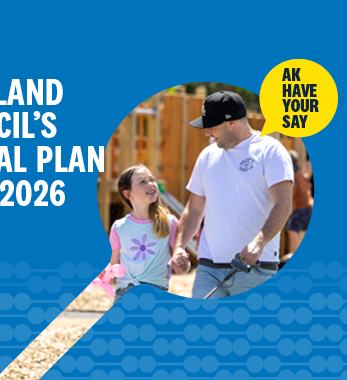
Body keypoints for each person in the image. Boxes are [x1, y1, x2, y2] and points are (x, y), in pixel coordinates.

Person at [171, 91, 294, 299]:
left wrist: (259, 242)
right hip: (208, 269)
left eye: (211, 126)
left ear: (232, 123)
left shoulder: (270, 151)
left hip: (256, 269)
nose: (207, 132)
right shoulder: (207, 155)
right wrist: (180, 247)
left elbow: (283, 204)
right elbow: (194, 209)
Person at [108, 165, 180, 302]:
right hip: (125, 293)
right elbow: (114, 269)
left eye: (152, 180)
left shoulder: (170, 223)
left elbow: (179, 258)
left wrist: (182, 263)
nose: (151, 184)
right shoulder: (119, 227)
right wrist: (105, 274)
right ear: (128, 194)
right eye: (142, 182)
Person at [282, 150, 314, 262]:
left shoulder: (293, 176)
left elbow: (292, 194)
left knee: (291, 228)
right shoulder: (299, 174)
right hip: (310, 205)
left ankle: (295, 252)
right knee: (305, 228)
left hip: (302, 207)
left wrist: (288, 211)